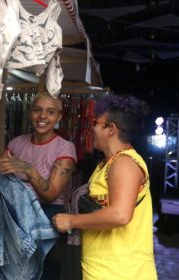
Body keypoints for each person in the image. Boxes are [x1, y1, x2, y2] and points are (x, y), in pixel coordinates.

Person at [52, 94, 157, 279]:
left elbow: (120, 214)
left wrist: (71, 221)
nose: (92, 128)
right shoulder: (106, 164)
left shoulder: (125, 163)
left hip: (121, 273)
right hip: (100, 269)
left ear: (110, 129)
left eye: (96, 122)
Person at [0, 91, 77, 279]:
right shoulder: (17, 144)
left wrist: (28, 169)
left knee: (41, 272)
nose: (42, 117)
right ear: (30, 112)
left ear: (58, 117)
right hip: (16, 215)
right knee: (15, 271)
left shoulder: (65, 148)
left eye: (50, 112)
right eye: (37, 110)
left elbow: (50, 194)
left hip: (47, 216)